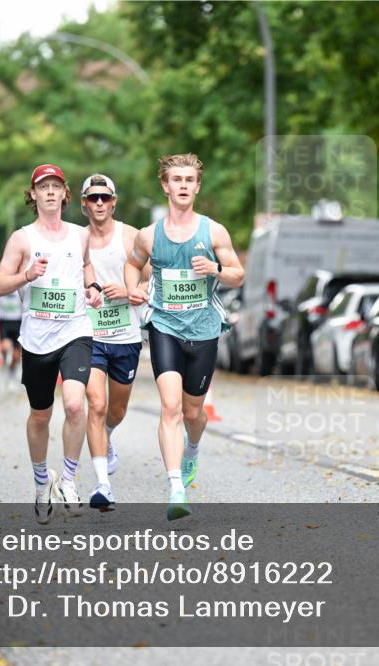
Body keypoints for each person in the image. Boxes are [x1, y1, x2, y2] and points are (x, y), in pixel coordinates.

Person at [125, 154, 245, 520]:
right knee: (171, 407)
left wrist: (215, 268)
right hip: (165, 327)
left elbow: (238, 274)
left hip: (204, 330)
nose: (182, 185)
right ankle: (176, 487)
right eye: (176, 179)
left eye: (189, 180)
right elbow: (132, 264)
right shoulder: (149, 235)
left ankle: (192, 448)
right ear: (165, 185)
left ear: (197, 186)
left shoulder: (214, 232)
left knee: (194, 413)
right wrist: (133, 289)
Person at [0, 163, 103, 524]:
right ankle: (42, 482)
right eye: (44, 187)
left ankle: (68, 480)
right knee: (41, 415)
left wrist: (93, 287)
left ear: (65, 194)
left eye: (56, 186)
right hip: (37, 339)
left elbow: (87, 265)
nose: (50, 192)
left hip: (75, 331)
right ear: (34, 194)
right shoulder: (22, 239)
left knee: (75, 404)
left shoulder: (80, 235)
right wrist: (27, 275)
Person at [81, 173, 148, 512]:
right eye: (93, 198)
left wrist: (130, 291)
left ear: (114, 202)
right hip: (88, 336)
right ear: (84, 204)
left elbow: (153, 278)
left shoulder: (131, 236)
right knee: (95, 404)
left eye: (104, 197)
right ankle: (102, 485)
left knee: (115, 411)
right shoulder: (76, 240)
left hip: (126, 336)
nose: (99, 203)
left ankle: (107, 435)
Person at [0, 282, 23, 384]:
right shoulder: (2, 291)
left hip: (17, 323)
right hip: (4, 323)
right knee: (5, 347)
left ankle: (11, 372)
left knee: (16, 356)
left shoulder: (20, 291)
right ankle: (4, 360)